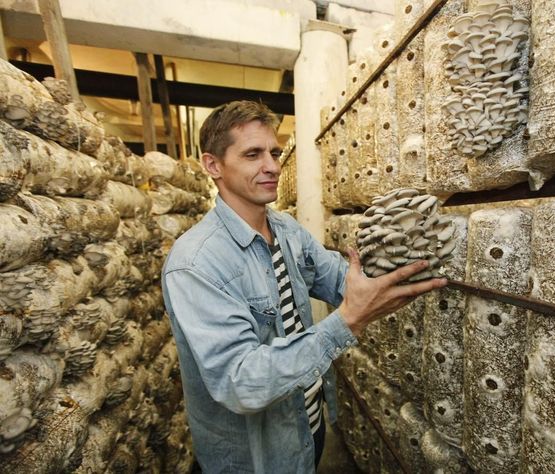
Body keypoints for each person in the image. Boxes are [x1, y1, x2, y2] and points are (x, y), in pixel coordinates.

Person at [161, 100, 446, 473]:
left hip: (307, 428)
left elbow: (344, 282)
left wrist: (406, 231)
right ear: (213, 165)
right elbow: (241, 382)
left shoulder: (286, 231)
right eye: (252, 154)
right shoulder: (195, 264)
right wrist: (345, 324)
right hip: (256, 459)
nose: (272, 167)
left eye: (274, 153)